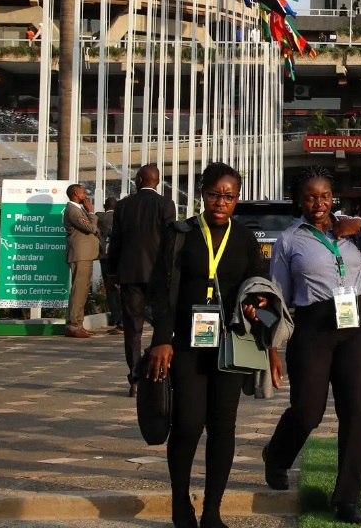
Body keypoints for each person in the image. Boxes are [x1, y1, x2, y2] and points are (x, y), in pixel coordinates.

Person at [263, 167, 361, 525]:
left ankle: (347, 499)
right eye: (311, 196)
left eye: (325, 195)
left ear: (333, 197)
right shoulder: (289, 240)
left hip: (355, 325)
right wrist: (272, 350)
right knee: (308, 412)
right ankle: (277, 456)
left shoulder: (351, 229)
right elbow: (277, 297)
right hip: (312, 328)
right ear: (299, 199)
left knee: (357, 412)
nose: (319, 203)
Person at [146, 163, 275, 528]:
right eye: (215, 194)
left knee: (223, 425)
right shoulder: (181, 233)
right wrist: (161, 339)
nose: (221, 202)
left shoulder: (245, 238)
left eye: (229, 196)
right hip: (186, 342)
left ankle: (213, 510)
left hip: (229, 344)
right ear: (203, 193)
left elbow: (258, 282)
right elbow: (160, 288)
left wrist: (259, 304)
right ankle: (179, 502)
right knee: (187, 424)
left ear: (238, 199)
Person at [109, 165, 178, 388]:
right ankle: (156, 367)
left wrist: (111, 270)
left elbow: (116, 241)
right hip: (158, 274)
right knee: (161, 322)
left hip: (129, 274)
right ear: (157, 182)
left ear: (139, 180)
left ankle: (135, 374)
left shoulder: (124, 205)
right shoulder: (166, 204)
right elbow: (170, 242)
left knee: (133, 327)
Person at [63, 184, 100, 339]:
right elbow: (90, 228)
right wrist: (91, 212)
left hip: (86, 254)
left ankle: (79, 323)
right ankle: (73, 325)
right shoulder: (72, 210)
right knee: (78, 290)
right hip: (79, 254)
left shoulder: (78, 209)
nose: (85, 195)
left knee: (83, 290)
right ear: (76, 193)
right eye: (83, 192)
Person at [97, 197, 122, 335]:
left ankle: (115, 316)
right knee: (120, 289)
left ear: (105, 206)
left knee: (110, 289)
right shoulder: (122, 218)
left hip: (105, 258)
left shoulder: (100, 217)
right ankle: (122, 318)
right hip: (119, 258)